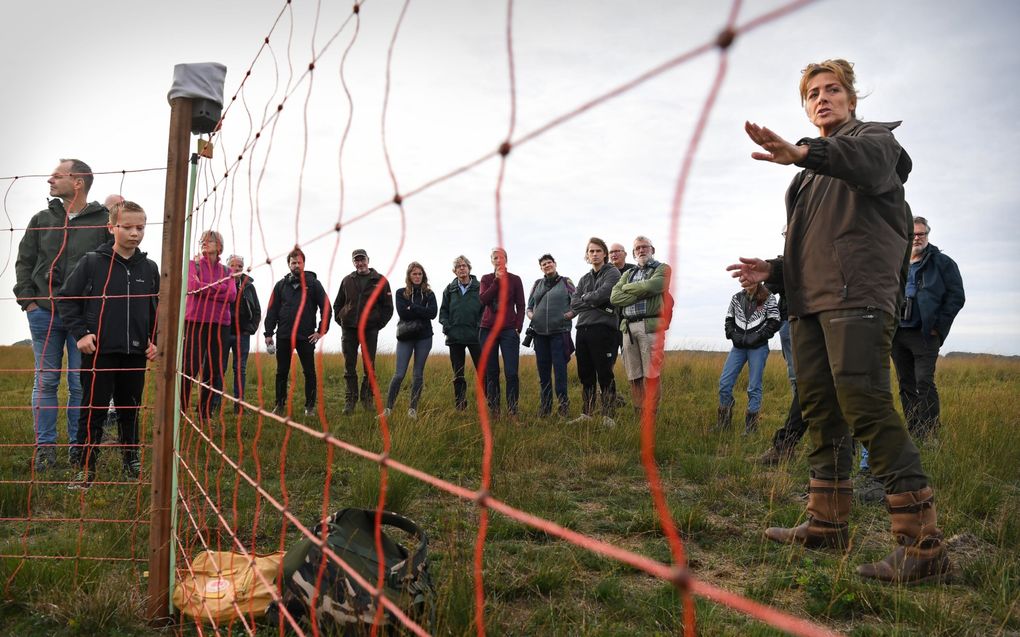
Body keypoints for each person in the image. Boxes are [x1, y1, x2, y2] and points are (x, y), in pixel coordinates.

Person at [731, 58, 950, 583]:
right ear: (805, 106)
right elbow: (825, 246)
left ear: (851, 100)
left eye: (832, 90)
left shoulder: (875, 142)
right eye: (812, 94)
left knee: (867, 406)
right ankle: (827, 524)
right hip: (810, 303)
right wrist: (776, 270)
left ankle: (923, 549)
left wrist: (805, 151)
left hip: (859, 298)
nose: (822, 98)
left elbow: (866, 163)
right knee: (821, 411)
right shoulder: (809, 178)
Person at [14, 159, 111, 470]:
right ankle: (45, 450)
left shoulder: (104, 221)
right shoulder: (42, 218)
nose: (50, 180)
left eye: (57, 175)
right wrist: (28, 301)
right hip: (43, 312)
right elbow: (24, 262)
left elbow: (110, 264)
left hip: (83, 318)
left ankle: (77, 446)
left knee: (80, 383)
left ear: (78, 181)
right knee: (45, 381)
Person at [56, 201, 159, 488]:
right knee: (93, 408)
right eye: (127, 227)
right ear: (111, 227)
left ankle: (131, 460)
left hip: (135, 353)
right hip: (98, 351)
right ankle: (86, 467)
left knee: (131, 408)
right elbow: (66, 299)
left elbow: (156, 308)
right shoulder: (92, 262)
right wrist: (80, 334)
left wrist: (154, 340)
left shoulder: (150, 268)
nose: (134, 233)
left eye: (140, 227)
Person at [891, 215, 965, 439]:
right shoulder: (896, 261)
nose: (916, 238)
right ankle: (915, 432)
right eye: (912, 234)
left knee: (924, 382)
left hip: (925, 333)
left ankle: (931, 435)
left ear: (927, 235)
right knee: (906, 384)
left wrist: (938, 327)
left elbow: (956, 297)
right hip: (897, 333)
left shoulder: (942, 263)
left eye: (921, 234)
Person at [757, 227, 807, 465]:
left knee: (814, 385)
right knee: (802, 383)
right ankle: (785, 445)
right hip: (792, 322)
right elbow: (775, 281)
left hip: (829, 324)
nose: (789, 236)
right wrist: (768, 273)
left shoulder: (816, 250)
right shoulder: (789, 258)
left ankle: (857, 456)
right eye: (786, 234)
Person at [610, 236, 671, 416]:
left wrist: (628, 289)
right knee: (633, 375)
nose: (641, 250)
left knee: (651, 375)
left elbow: (656, 285)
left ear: (653, 250)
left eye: (645, 247)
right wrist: (642, 291)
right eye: (638, 248)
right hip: (628, 328)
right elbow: (615, 297)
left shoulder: (662, 268)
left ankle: (651, 414)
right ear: (634, 252)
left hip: (650, 326)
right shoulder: (628, 274)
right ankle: (639, 412)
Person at [264, 248, 329, 416]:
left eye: (299, 262)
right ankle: (279, 405)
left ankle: (310, 407)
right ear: (288, 264)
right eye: (293, 263)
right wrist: (268, 333)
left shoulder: (313, 284)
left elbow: (326, 308)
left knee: (309, 372)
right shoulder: (280, 285)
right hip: (284, 335)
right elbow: (272, 310)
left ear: (304, 264)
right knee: (281, 372)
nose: (296, 265)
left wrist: (321, 331)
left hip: (306, 336)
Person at [182, 230, 236, 421]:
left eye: (210, 240)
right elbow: (191, 287)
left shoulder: (228, 271)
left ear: (219, 246)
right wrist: (217, 289)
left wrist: (203, 286)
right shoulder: (192, 265)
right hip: (196, 321)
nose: (205, 242)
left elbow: (231, 295)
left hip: (220, 324)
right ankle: (180, 410)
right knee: (190, 367)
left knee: (213, 369)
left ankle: (204, 412)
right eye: (202, 240)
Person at [715, 281, 780, 434]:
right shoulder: (736, 298)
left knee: (754, 387)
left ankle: (751, 429)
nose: (747, 282)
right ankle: (724, 424)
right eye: (744, 279)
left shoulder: (769, 298)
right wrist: (733, 335)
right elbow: (729, 320)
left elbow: (775, 321)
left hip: (758, 347)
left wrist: (758, 336)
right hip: (738, 347)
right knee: (724, 384)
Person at [333, 248, 393, 414]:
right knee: (349, 366)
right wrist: (342, 320)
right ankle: (350, 401)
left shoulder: (380, 280)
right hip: (349, 330)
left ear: (368, 260)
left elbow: (388, 307)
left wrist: (376, 324)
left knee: (369, 367)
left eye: (362, 259)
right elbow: (338, 303)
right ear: (354, 262)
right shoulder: (347, 280)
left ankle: (367, 400)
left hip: (370, 330)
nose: (360, 263)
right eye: (356, 260)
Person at [569, 238, 621, 427]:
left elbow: (605, 293)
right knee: (585, 374)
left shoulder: (612, 272)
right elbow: (574, 302)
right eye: (591, 251)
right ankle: (587, 413)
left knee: (605, 373)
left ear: (605, 253)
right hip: (582, 329)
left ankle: (609, 416)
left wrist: (588, 298)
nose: (595, 254)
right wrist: (591, 300)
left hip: (604, 329)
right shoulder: (584, 278)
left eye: (598, 251)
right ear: (587, 255)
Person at [526, 254, 576, 418]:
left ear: (555, 264)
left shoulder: (566, 282)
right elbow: (529, 306)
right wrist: (531, 315)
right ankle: (545, 408)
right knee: (543, 373)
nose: (547, 265)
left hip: (559, 333)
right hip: (539, 335)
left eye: (549, 262)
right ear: (541, 268)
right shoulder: (537, 284)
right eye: (543, 264)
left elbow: (576, 302)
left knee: (560, 372)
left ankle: (563, 407)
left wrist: (570, 314)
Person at [386, 262, 438, 419]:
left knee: (417, 374)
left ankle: (412, 410)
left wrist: (412, 307)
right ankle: (388, 409)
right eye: (414, 274)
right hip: (405, 337)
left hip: (424, 338)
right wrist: (421, 310)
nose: (417, 276)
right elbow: (403, 313)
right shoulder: (400, 292)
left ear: (423, 276)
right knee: (399, 374)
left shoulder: (429, 294)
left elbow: (433, 313)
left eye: (420, 274)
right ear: (409, 276)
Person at [479, 247, 525, 416]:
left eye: (501, 257)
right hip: (488, 330)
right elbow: (483, 299)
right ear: (492, 261)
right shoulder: (486, 279)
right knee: (491, 372)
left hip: (508, 331)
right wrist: (496, 282)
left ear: (506, 260)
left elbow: (521, 306)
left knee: (511, 372)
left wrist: (518, 327)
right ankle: (495, 410)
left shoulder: (515, 279)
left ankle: (513, 410)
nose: (498, 260)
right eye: (495, 258)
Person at [438, 255, 483, 410]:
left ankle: (490, 403)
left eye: (464, 266)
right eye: (458, 267)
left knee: (483, 371)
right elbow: (443, 312)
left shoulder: (480, 287)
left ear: (469, 268)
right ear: (454, 271)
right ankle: (460, 405)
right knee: (458, 374)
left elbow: (485, 310)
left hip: (475, 336)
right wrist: (447, 327)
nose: (462, 268)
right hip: (455, 337)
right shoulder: (449, 289)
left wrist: (479, 327)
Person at [223, 255, 262, 413]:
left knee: (240, 369)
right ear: (227, 267)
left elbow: (257, 310)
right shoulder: (221, 282)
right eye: (233, 265)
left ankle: (239, 406)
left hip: (242, 334)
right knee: (219, 368)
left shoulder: (249, 286)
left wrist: (251, 328)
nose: (236, 268)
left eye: (239, 266)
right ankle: (214, 404)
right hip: (223, 332)